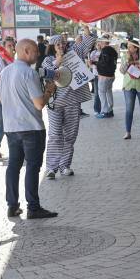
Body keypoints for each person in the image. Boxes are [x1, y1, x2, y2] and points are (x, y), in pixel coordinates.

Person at [0, 39, 58, 219]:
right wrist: (49, 90)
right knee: (33, 167)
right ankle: (33, 207)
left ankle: (12, 205)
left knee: (14, 166)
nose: (38, 54)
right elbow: (39, 104)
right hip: (31, 127)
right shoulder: (28, 73)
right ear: (25, 51)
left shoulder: (5, 72)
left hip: (11, 127)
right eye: (35, 51)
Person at [40, 27, 97, 178]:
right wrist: (57, 62)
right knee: (55, 135)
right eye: (57, 44)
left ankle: (65, 165)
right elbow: (47, 75)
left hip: (73, 101)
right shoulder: (47, 60)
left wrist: (86, 31)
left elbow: (85, 46)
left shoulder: (74, 54)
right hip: (55, 103)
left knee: (70, 135)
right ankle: (51, 167)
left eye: (62, 44)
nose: (61, 46)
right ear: (52, 46)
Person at [120, 39, 140, 140]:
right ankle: (127, 132)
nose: (128, 48)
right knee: (129, 110)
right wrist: (127, 61)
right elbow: (122, 71)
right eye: (128, 46)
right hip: (128, 86)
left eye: (130, 47)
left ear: (136, 48)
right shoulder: (125, 57)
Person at [0, 37, 16, 161]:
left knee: (11, 124)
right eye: (9, 45)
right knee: (3, 125)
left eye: (13, 45)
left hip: (13, 98)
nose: (12, 48)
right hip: (3, 98)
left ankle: (15, 151)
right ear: (4, 47)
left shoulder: (13, 61)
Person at [95, 34, 117, 118]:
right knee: (108, 92)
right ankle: (110, 110)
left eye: (100, 41)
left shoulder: (105, 51)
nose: (99, 43)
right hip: (111, 75)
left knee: (102, 93)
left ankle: (105, 111)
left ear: (104, 42)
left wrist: (96, 65)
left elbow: (104, 63)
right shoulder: (113, 50)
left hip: (104, 76)